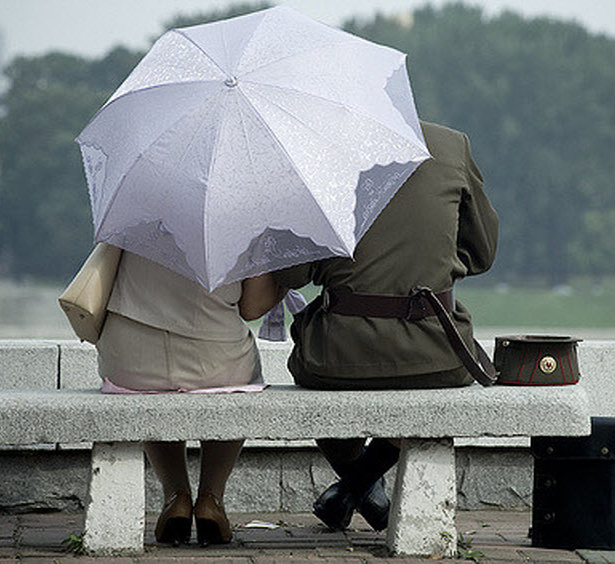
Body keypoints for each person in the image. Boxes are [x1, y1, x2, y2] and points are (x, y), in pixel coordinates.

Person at [247, 121, 499, 531]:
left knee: (312, 366)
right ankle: (364, 482)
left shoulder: (322, 151)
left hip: (336, 359)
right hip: (437, 353)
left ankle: (358, 485)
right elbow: (482, 253)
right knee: (401, 379)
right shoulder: (451, 145)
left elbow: (293, 274)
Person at [96, 252, 269, 546]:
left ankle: (176, 497)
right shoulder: (243, 219)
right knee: (238, 383)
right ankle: (211, 500)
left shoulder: (131, 214)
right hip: (215, 360)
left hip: (130, 360)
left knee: (151, 391)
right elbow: (252, 307)